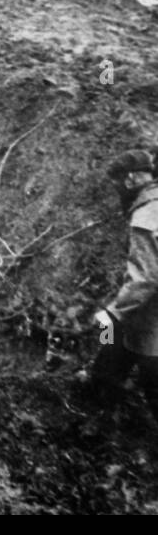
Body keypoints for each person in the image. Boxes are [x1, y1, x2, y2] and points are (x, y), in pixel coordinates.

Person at [85, 149, 158, 421]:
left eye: (116, 184)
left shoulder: (146, 218)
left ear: (129, 180)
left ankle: (101, 408)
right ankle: (100, 402)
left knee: (153, 385)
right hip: (144, 318)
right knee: (114, 345)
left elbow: (146, 278)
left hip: (152, 324)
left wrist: (114, 310)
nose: (116, 191)